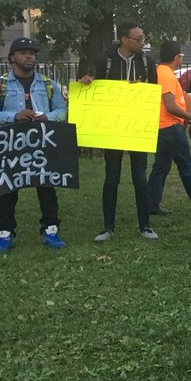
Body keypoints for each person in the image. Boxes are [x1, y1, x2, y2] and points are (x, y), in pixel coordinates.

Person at [0, 37, 69, 252]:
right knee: (7, 190)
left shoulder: (47, 84)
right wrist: (14, 116)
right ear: (12, 57)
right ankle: (5, 233)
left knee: (47, 188)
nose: (29, 56)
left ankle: (50, 230)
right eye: (23, 52)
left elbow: (62, 110)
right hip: (11, 145)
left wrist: (47, 117)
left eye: (32, 52)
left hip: (42, 142)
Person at [78, 20, 159, 242]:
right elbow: (95, 89)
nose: (142, 42)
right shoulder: (105, 61)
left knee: (139, 177)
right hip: (112, 129)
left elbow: (153, 94)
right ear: (124, 39)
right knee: (111, 177)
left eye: (143, 38)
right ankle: (107, 227)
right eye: (138, 38)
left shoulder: (147, 62)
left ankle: (145, 225)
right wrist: (87, 83)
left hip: (137, 128)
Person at [147, 40, 191, 216]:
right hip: (170, 128)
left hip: (163, 128)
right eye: (181, 56)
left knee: (160, 167)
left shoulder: (162, 72)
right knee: (186, 166)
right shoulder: (165, 74)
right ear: (176, 57)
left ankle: (151, 204)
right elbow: (170, 106)